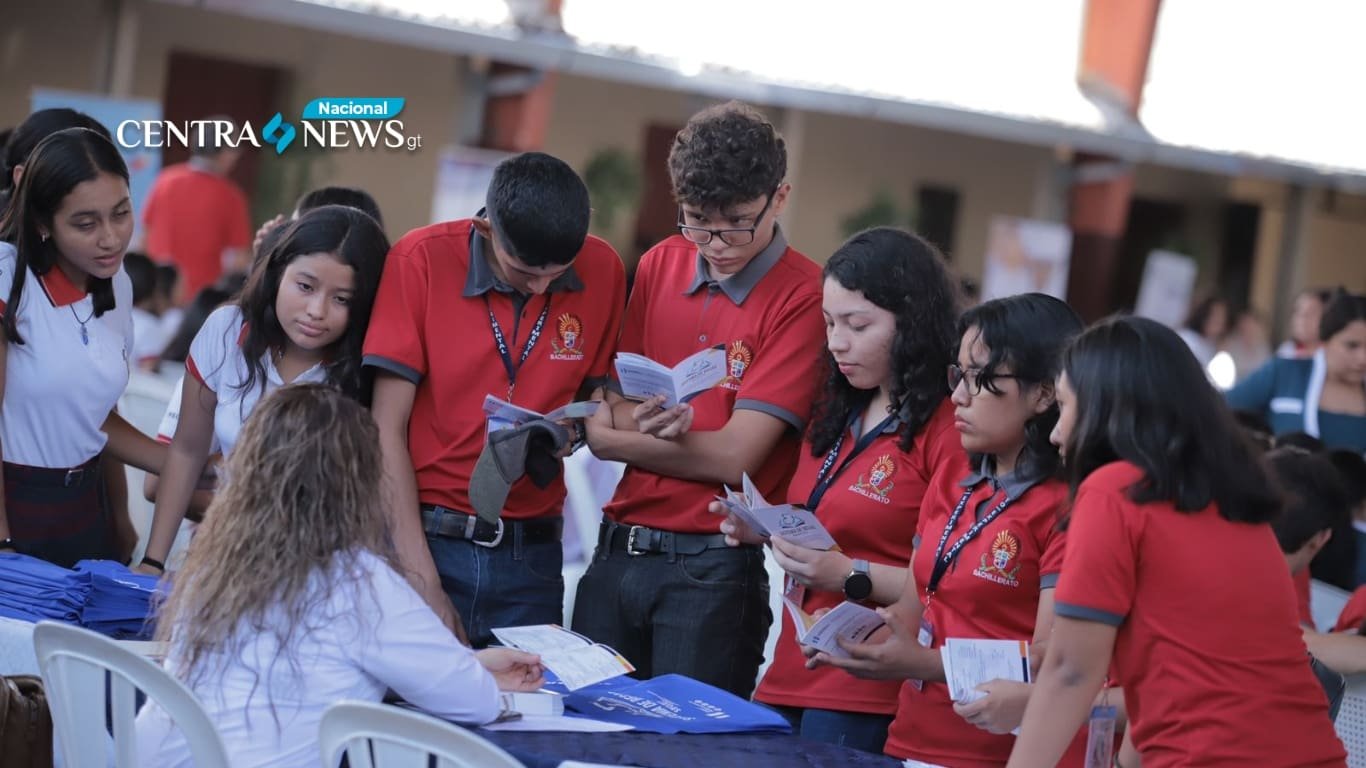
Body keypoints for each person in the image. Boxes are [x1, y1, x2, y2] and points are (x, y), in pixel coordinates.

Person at [136, 384, 543, 768]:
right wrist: (471, 672)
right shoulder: (357, 581)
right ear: (359, 485)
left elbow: (320, 666)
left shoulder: (217, 563)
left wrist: (468, 662)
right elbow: (475, 702)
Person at [1008, 315, 1346, 768]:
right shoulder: (1233, 498)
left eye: (1066, 406)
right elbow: (1178, 679)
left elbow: (1071, 672)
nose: (1055, 433)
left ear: (1107, 409)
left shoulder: (1114, 491)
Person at [574, 101, 826, 698]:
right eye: (695, 221)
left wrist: (612, 441)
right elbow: (618, 401)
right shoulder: (661, 262)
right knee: (582, 738)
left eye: (736, 222)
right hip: (618, 549)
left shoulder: (804, 295)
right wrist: (637, 428)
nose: (714, 243)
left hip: (710, 569)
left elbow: (733, 458)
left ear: (779, 198)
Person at [710, 227, 963, 752]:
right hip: (788, 668)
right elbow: (824, 520)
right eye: (828, 322)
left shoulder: (948, 428)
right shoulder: (838, 405)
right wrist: (765, 528)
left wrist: (847, 575)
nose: (836, 341)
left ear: (913, 322)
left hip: (866, 687)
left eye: (858, 324)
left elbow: (949, 579)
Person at [809, 293, 1089, 767]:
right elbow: (911, 612)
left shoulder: (1065, 507)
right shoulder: (955, 478)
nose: (958, 395)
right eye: (957, 374)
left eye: (980, 379)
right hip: (912, 736)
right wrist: (850, 633)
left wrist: (922, 665)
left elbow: (1051, 660)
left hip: (998, 752)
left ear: (1044, 394)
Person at [364, 151, 625, 643]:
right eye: (525, 272)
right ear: (485, 231)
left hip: (534, 554)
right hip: (427, 539)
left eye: (558, 273)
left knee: (524, 712)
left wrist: (578, 428)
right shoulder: (420, 259)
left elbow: (597, 396)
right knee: (403, 714)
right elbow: (385, 429)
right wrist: (422, 580)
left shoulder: (604, 269)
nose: (544, 286)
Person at [134, 205, 388, 576]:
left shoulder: (369, 367)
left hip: (318, 570)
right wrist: (152, 563)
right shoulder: (226, 328)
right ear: (278, 272)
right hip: (217, 557)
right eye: (305, 286)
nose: (317, 310)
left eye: (342, 299)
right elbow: (187, 451)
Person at [0, 128, 173, 566]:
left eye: (121, 213)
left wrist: (180, 463)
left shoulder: (118, 284)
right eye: (85, 223)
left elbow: (90, 418)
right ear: (42, 223)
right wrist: (3, 545)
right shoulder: (7, 277)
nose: (111, 238)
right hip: (15, 509)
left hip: (82, 509)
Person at [1227, 288, 1366, 453]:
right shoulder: (1284, 373)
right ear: (1325, 341)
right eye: (1352, 346)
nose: (1363, 358)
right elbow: (1218, 409)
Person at [140, 116, 251, 301]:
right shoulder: (231, 196)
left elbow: (144, 235)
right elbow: (238, 260)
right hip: (199, 302)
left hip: (155, 294)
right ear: (224, 151)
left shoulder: (165, 180)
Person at [1175, 295, 1228, 370]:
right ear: (1204, 316)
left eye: (1222, 317)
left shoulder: (1212, 346)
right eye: (1216, 316)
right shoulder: (1186, 338)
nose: (1220, 321)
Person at [1279, 288, 1331, 359]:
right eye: (1298, 311)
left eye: (1311, 312)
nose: (1302, 318)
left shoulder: (1333, 356)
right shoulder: (1286, 352)